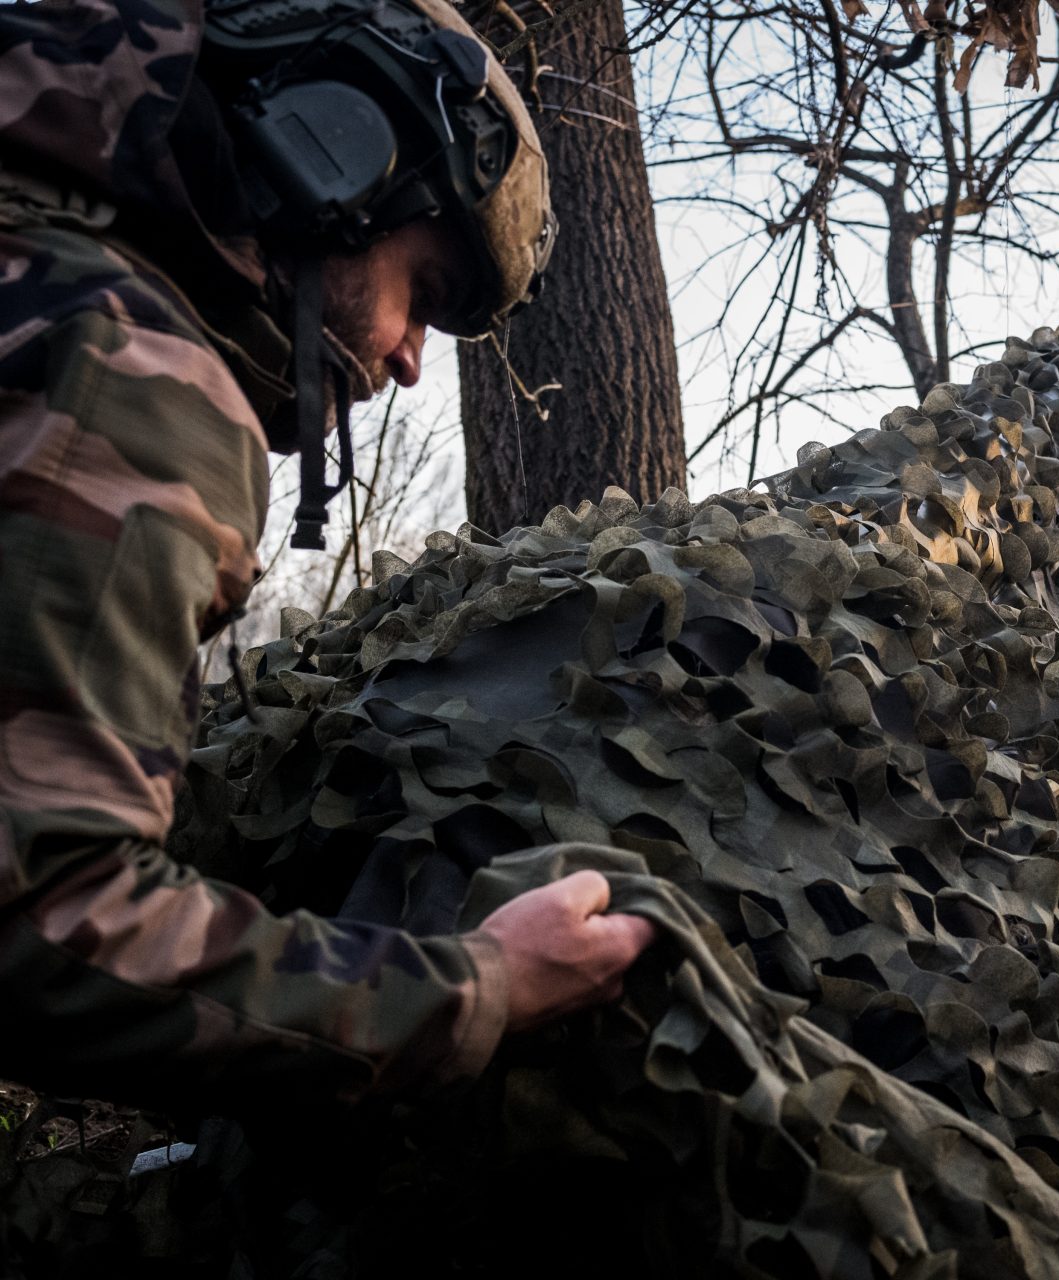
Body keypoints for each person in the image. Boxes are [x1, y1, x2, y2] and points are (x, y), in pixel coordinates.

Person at [0, 0, 650, 1112]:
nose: (407, 362)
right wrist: (477, 984)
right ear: (329, 160)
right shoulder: (128, 371)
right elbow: (46, 925)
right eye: (425, 294)